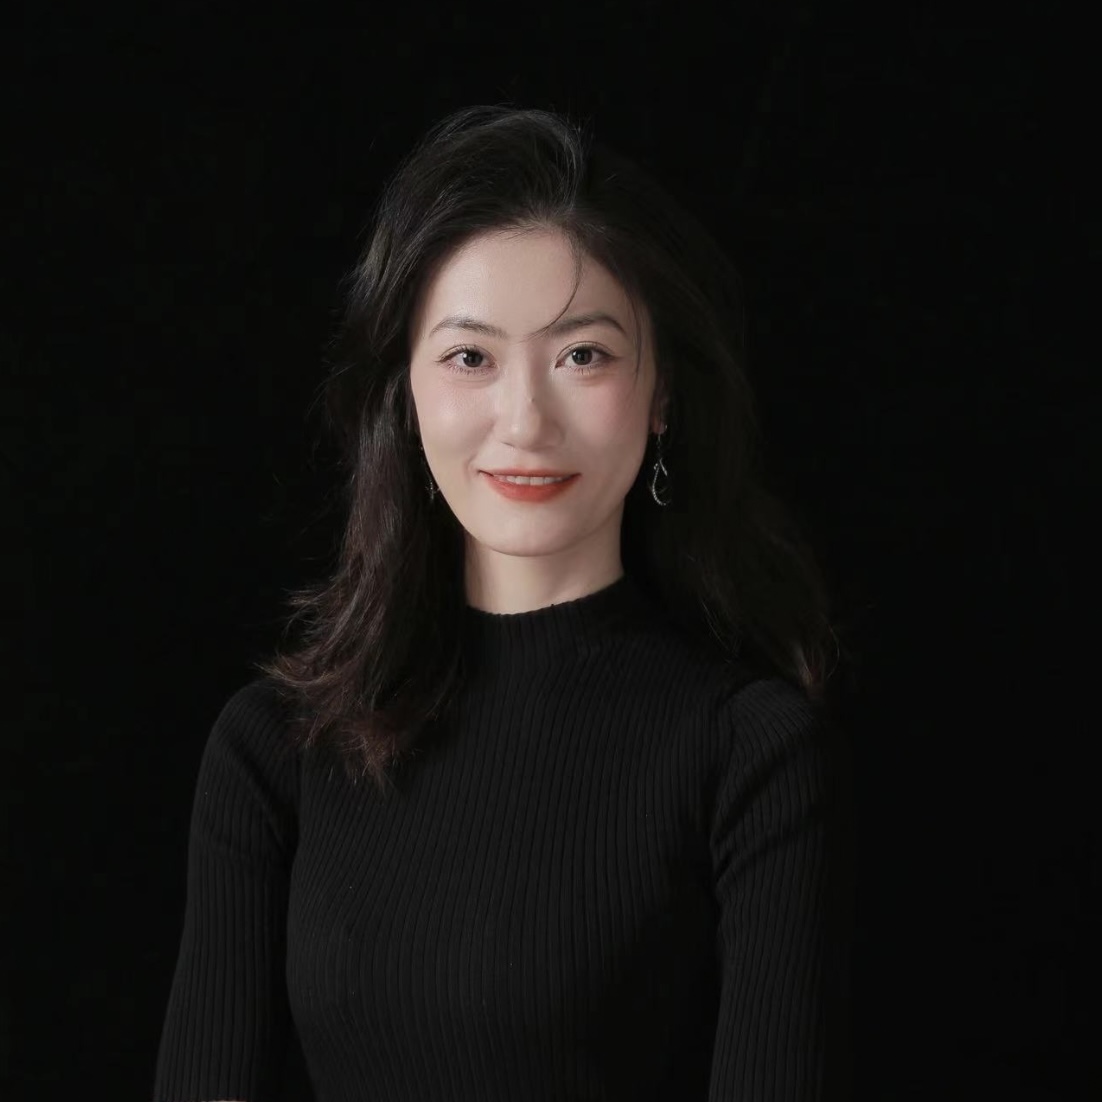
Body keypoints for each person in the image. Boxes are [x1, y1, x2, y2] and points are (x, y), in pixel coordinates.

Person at [152, 104, 855, 1101]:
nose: (525, 420)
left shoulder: (751, 756)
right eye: (470, 357)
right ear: (406, 392)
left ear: (661, 392)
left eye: (583, 354)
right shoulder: (275, 750)